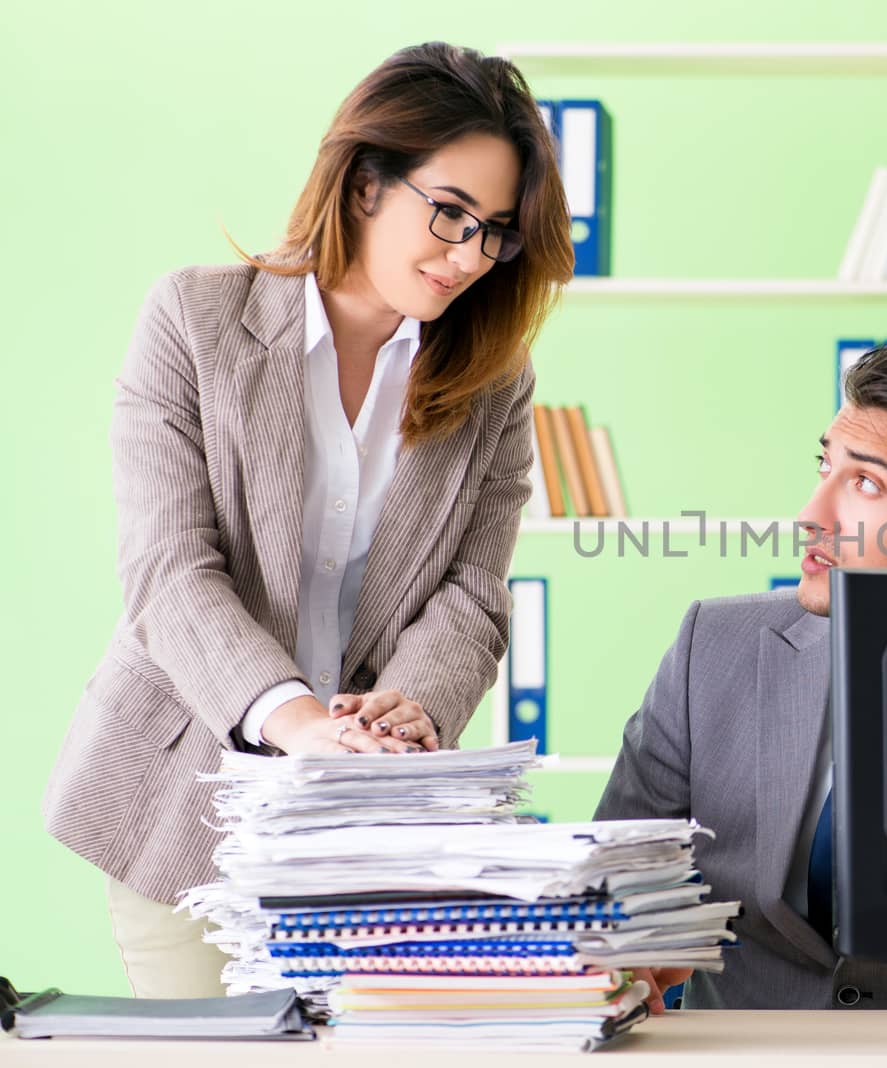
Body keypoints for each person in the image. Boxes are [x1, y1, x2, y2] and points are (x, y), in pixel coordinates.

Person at [42, 42, 571, 997]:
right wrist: (296, 723)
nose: (468, 257)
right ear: (366, 183)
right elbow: (170, 572)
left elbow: (471, 594)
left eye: (494, 232)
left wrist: (412, 710)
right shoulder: (196, 319)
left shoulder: (496, 382)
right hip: (187, 796)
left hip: (372, 823)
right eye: (449, 214)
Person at [596, 337, 887, 1011]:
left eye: (866, 483)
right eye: (825, 466)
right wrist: (624, 948)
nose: (810, 516)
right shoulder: (715, 646)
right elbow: (614, 875)